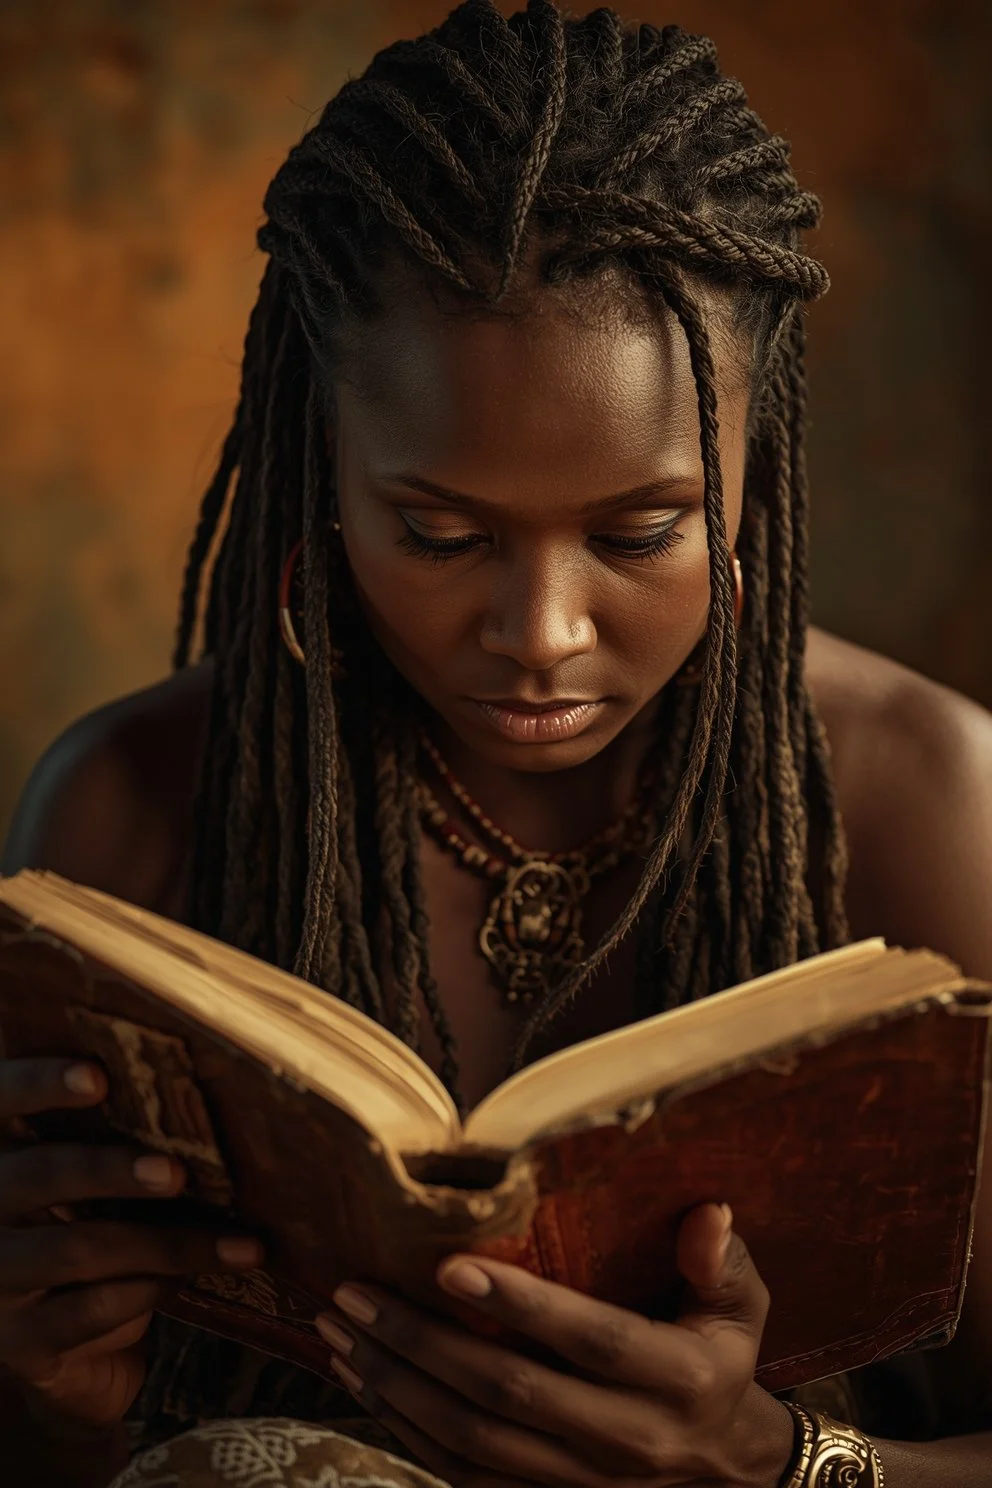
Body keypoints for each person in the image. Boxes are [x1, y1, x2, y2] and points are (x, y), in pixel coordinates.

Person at [1, 3, 990, 1485]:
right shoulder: (127, 813)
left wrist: (772, 1461)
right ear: (318, 473)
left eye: (640, 531)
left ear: (751, 479)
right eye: (441, 533)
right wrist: (45, 1398)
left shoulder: (937, 803)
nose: (541, 632)